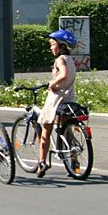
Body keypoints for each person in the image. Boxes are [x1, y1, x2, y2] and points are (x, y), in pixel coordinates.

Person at [36, 29, 78, 177]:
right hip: (69, 99)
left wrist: (52, 83)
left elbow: (63, 74)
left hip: (56, 99)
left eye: (52, 44)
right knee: (67, 131)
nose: (50, 47)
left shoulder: (60, 60)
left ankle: (42, 162)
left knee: (45, 128)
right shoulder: (71, 60)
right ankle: (74, 161)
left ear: (61, 46)